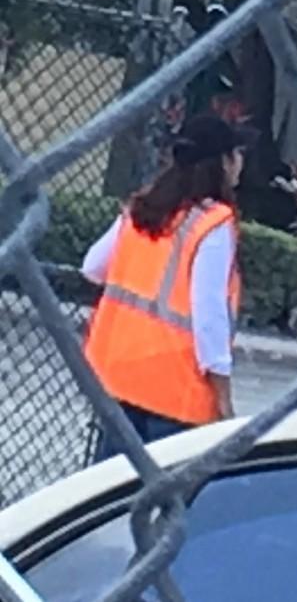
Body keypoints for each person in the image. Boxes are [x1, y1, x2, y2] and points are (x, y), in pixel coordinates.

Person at [81, 114, 258, 459]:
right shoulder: (213, 223)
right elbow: (209, 316)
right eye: (237, 153)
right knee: (168, 494)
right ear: (222, 162)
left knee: (112, 492)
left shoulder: (143, 209)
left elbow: (92, 267)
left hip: (119, 375)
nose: (241, 163)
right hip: (175, 391)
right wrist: (222, 393)